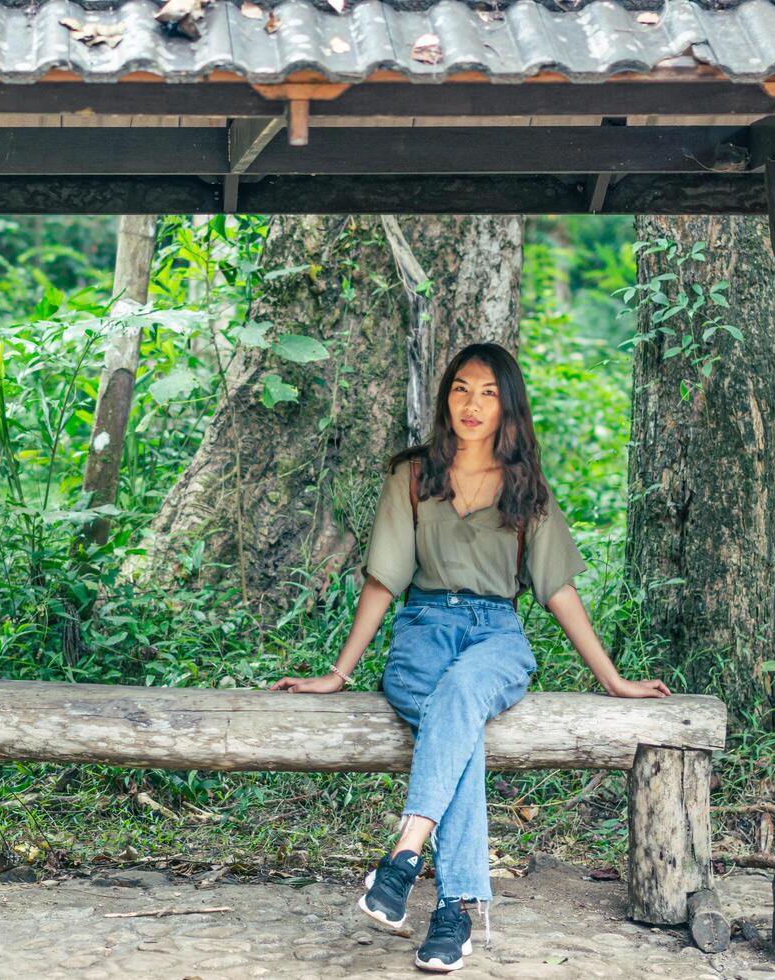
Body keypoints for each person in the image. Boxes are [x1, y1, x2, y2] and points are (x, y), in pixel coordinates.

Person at [270, 342, 670, 974]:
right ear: (445, 397)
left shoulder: (525, 487)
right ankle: (454, 909)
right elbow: (383, 581)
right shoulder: (412, 475)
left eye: (487, 392)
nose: (472, 404)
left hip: (496, 637)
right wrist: (336, 675)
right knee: (459, 729)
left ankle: (405, 855)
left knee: (458, 697)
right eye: (460, 389)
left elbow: (558, 590)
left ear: (507, 404)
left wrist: (613, 680)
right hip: (422, 630)